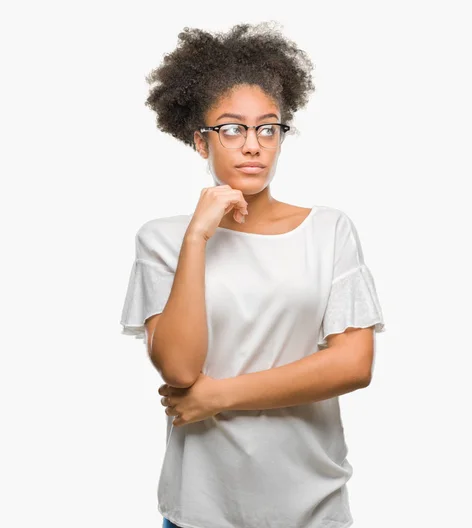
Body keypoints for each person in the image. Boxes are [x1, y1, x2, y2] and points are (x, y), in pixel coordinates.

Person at [119, 21, 386, 528]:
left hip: (312, 507)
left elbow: (353, 364)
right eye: (232, 128)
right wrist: (197, 237)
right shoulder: (162, 238)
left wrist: (218, 396)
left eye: (268, 127)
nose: (253, 145)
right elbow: (178, 369)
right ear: (202, 141)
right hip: (201, 509)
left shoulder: (328, 230)